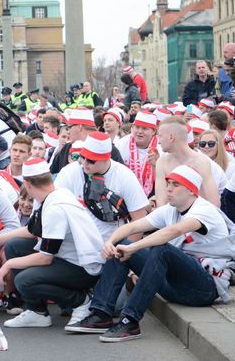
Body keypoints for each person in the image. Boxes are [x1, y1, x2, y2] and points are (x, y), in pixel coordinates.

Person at [66, 165, 231, 342]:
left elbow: (174, 231)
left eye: (175, 184)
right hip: (175, 284)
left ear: (191, 190)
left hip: (204, 288)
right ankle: (101, 314)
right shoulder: (171, 209)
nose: (168, 188)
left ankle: (130, 321)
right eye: (168, 183)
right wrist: (110, 242)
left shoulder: (205, 210)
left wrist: (134, 248)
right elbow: (133, 226)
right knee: (122, 245)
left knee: (162, 249)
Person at [0, 158, 104, 328]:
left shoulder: (54, 208)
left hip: (84, 268)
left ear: (27, 184)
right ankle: (37, 312)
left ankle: (81, 302)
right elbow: (30, 230)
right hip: (69, 259)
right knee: (14, 245)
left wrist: (8, 264)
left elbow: (45, 258)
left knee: (24, 280)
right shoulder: (53, 193)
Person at [54, 132, 151, 242]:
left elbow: (139, 219)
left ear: (106, 159)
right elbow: (53, 205)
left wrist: (123, 251)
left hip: (109, 246)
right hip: (73, 245)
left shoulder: (125, 176)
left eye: (91, 160)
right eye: (82, 157)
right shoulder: (70, 171)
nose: (84, 163)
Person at [154, 116, 220, 207]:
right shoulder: (162, 162)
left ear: (171, 137)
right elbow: (161, 202)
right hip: (172, 216)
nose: (158, 142)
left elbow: (214, 203)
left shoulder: (201, 162)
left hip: (200, 216)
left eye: (160, 136)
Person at [115, 111, 159, 196]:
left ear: (153, 131)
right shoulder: (120, 145)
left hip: (152, 196)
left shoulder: (161, 148)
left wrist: (155, 166)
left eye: (145, 128)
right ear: (132, 128)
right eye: (137, 127)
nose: (139, 132)